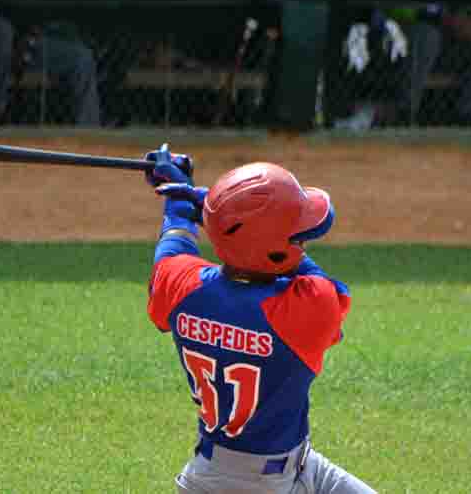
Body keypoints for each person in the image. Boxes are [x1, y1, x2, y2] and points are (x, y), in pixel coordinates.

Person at [143, 144, 376, 494]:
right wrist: (209, 205)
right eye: (297, 236)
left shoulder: (182, 288)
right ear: (275, 249)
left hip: (254, 469)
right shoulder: (304, 310)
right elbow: (314, 278)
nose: (304, 241)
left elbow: (174, 240)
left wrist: (187, 204)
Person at [333, 0, 471, 129]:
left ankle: (464, 118)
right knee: (427, 35)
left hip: (449, 36)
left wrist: (466, 17)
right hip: (400, 36)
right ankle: (405, 113)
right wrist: (436, 18)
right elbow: (389, 2)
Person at [0, 11, 101, 126]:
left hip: (31, 38)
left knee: (82, 58)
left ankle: (87, 132)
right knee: (3, 31)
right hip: (6, 40)